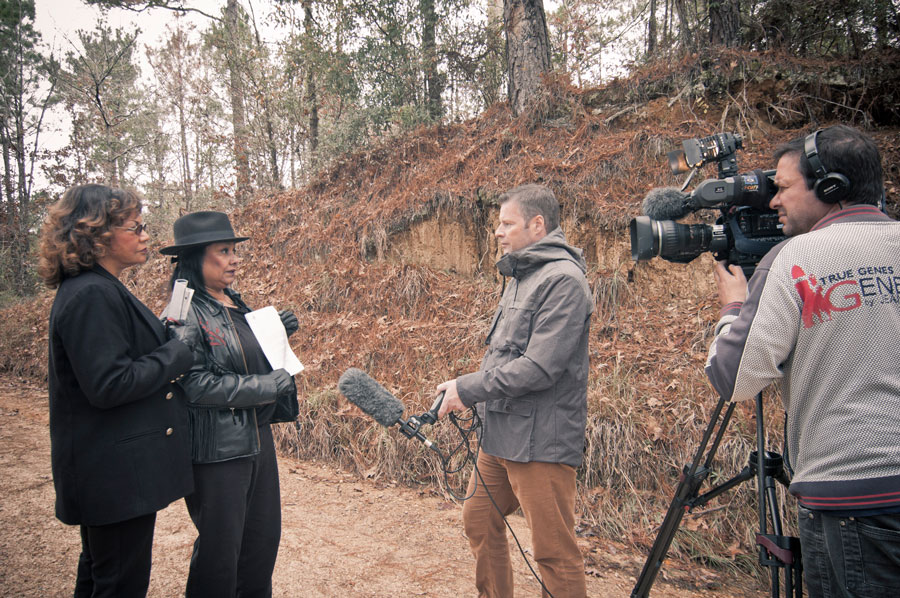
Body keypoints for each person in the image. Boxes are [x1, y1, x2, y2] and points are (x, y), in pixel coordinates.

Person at [705, 125, 900, 597]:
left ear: (830, 188)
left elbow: (733, 377)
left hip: (852, 496)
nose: (774, 202)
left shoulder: (795, 258)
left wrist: (734, 306)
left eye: (785, 188)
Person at [39, 184, 200, 597]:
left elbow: (117, 356)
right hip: (113, 477)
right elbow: (109, 384)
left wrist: (162, 338)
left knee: (100, 577)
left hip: (110, 472)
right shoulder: (92, 293)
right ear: (97, 234)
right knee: (118, 585)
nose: (146, 235)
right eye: (136, 226)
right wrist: (178, 353)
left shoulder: (99, 287)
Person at [436, 184, 594, 598]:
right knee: (478, 519)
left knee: (554, 553)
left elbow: (538, 367)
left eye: (507, 223)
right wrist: (468, 392)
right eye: (498, 224)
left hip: (542, 440)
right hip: (501, 433)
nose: (498, 232)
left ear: (537, 224)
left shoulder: (564, 281)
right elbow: (503, 357)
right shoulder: (520, 275)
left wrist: (466, 389)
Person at [160, 211, 300, 598]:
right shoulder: (183, 309)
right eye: (224, 251)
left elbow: (236, 351)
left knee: (261, 543)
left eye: (234, 250)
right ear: (194, 258)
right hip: (218, 450)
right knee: (221, 556)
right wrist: (266, 386)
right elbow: (193, 382)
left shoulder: (231, 299)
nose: (235, 258)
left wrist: (273, 329)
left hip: (257, 440)